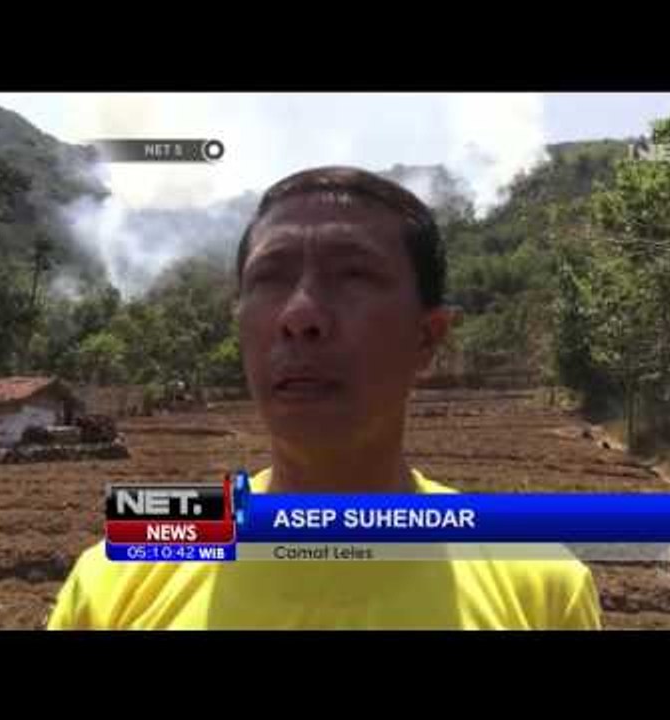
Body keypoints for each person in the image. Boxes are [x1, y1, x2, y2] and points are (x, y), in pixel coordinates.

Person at [47, 166, 602, 629]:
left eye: (353, 275)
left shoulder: (542, 589)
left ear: (428, 337)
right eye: (270, 278)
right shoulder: (114, 582)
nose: (300, 315)